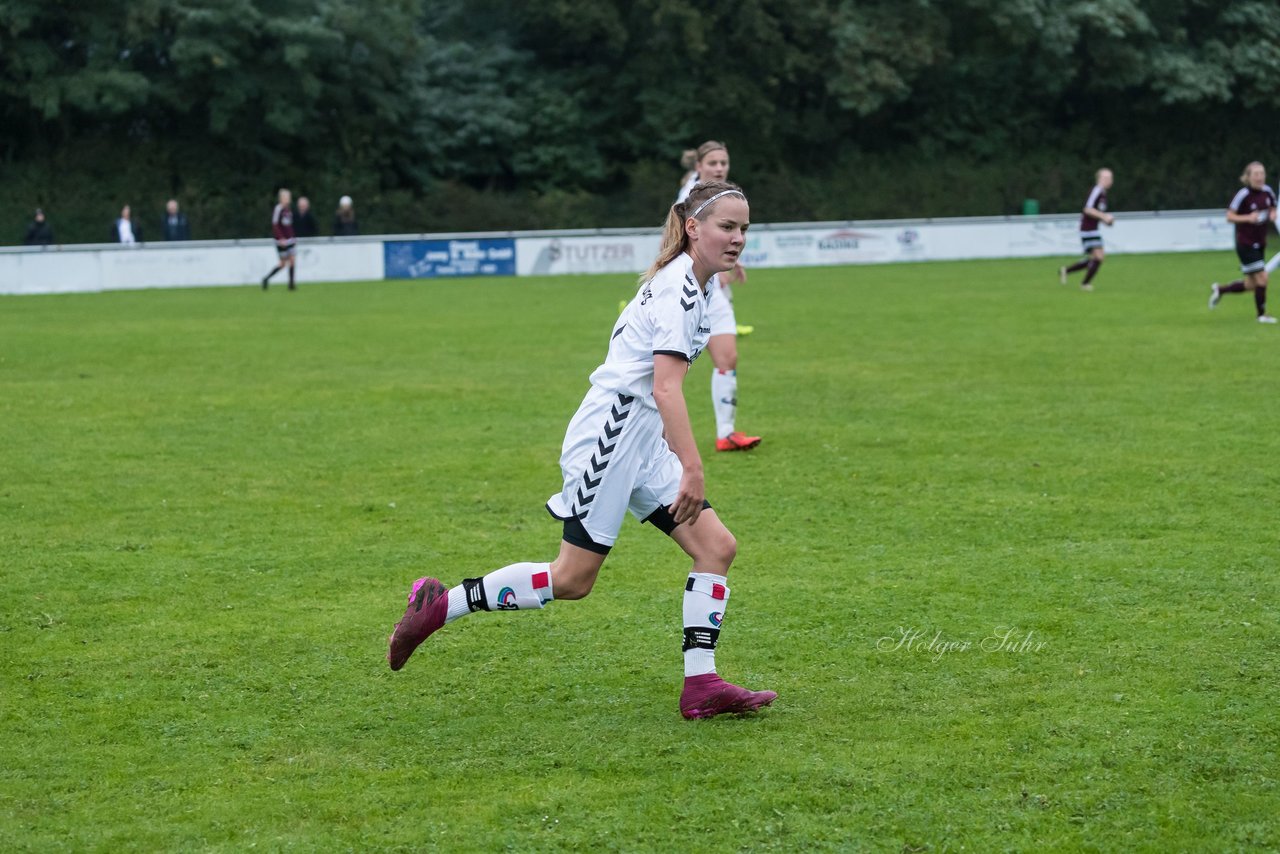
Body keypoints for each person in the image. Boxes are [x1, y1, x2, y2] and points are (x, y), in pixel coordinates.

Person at [387, 180, 777, 720]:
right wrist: (692, 466)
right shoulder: (679, 289)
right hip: (612, 434)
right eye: (726, 227)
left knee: (716, 548)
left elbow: (661, 389)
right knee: (572, 579)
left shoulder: (702, 287)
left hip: (642, 437)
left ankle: (701, 685)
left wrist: (669, 451)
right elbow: (663, 387)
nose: (737, 239)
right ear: (693, 228)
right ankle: (439, 606)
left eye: (743, 230)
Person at [682, 141, 761, 452]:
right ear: (699, 166)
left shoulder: (720, 196)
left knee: (728, 357)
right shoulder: (690, 197)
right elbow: (677, 237)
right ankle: (656, 437)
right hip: (693, 287)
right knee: (670, 369)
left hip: (716, 289)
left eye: (723, 163)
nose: (719, 168)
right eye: (713, 163)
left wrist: (730, 261)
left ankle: (725, 433)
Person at [1209, 162, 1278, 323]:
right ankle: (1261, 316)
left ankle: (1220, 289)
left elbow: (1273, 208)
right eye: (1256, 174)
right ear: (1248, 177)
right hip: (1245, 243)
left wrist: (1273, 214)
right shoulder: (1243, 194)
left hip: (1260, 242)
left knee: (1251, 285)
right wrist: (1248, 217)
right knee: (1263, 278)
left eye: (1262, 173)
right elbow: (1229, 216)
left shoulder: (1268, 192)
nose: (1260, 177)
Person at [1058, 168, 1115, 291]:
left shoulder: (1103, 194)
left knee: (1095, 258)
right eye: (1106, 178)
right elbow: (1087, 209)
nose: (1109, 180)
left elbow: (1096, 214)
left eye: (1110, 178)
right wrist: (1105, 217)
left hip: (1092, 229)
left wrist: (1106, 221)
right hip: (1087, 229)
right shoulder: (1097, 191)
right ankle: (1084, 284)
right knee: (1099, 257)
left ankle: (1066, 271)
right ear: (1099, 179)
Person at [262, 188, 297, 290]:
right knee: (282, 264)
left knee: (292, 260)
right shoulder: (278, 209)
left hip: (290, 240)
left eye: (289, 197)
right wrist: (281, 238)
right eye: (286, 197)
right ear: (281, 198)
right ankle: (266, 279)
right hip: (281, 241)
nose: (288, 199)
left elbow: (289, 226)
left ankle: (291, 284)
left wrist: (293, 237)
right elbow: (275, 225)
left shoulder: (288, 210)